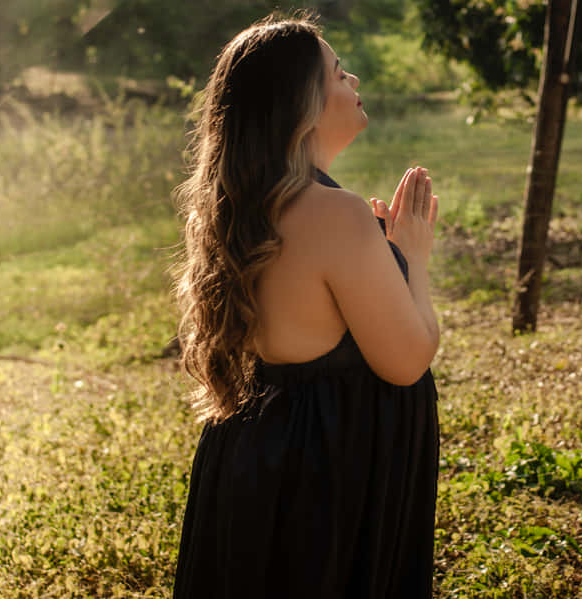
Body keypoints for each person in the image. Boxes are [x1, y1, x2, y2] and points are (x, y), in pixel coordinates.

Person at [172, 13, 441, 598]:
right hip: (325, 471)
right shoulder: (333, 213)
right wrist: (412, 254)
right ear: (303, 105)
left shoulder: (237, 208)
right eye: (341, 74)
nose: (355, 82)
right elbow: (407, 359)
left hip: (257, 457)